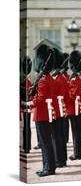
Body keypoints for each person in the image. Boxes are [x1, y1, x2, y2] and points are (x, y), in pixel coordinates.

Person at [23, 44, 56, 177]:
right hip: (47, 113)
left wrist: (28, 103)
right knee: (48, 142)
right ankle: (50, 166)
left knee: (45, 143)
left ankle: (47, 168)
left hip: (42, 114)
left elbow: (40, 99)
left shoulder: (42, 80)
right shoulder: (48, 78)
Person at [50, 48, 68, 167]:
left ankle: (58, 159)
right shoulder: (63, 78)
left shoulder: (55, 79)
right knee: (61, 135)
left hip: (56, 109)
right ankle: (63, 159)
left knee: (56, 136)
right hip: (62, 108)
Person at [68, 50, 81, 160]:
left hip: (74, 108)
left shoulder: (74, 79)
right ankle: (79, 152)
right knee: (77, 131)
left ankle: (77, 153)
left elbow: (72, 95)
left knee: (76, 131)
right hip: (77, 108)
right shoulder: (77, 78)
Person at [20, 56, 32, 154]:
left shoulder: (23, 83)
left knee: (25, 127)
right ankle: (27, 147)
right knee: (26, 127)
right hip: (26, 106)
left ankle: (26, 146)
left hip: (24, 106)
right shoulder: (29, 82)